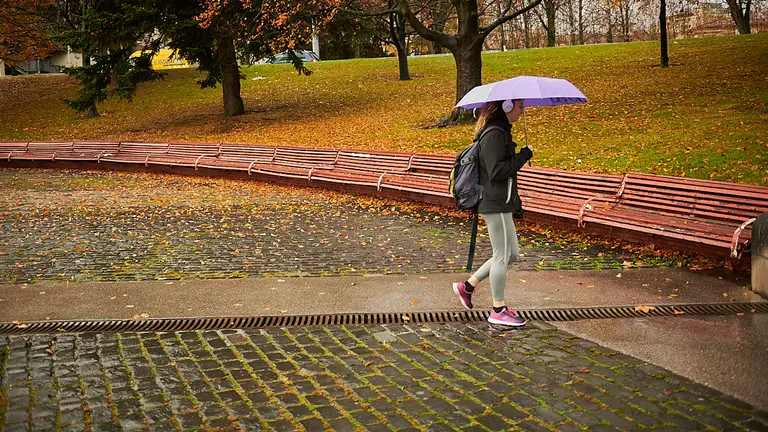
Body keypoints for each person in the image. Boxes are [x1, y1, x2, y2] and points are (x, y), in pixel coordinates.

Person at [452, 99, 533, 327]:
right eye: (519, 106)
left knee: (511, 254)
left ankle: (467, 286)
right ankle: (498, 309)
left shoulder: (500, 132)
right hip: (493, 203)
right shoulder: (495, 134)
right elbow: (497, 171)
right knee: (501, 255)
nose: (522, 110)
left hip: (502, 203)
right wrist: (522, 156)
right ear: (506, 106)